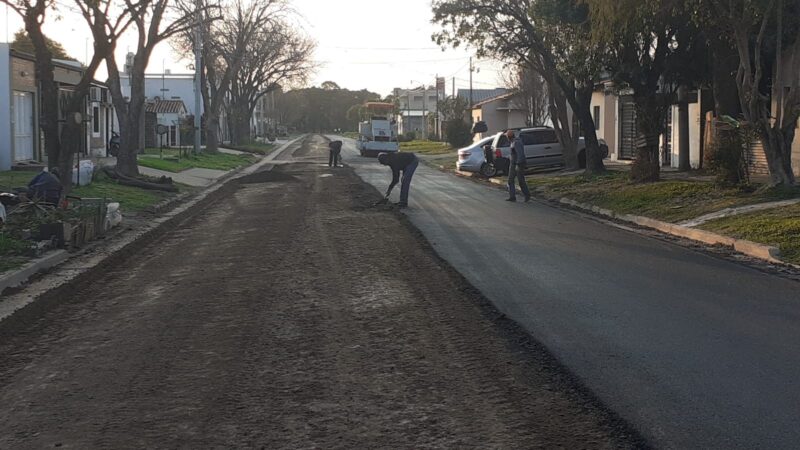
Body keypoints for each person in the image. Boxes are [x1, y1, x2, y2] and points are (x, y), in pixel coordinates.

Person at [506, 129, 531, 202]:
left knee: (521, 181)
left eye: (507, 136)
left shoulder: (516, 142)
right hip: (513, 163)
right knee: (510, 180)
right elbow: (514, 153)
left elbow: (520, 154)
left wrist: (518, 164)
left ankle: (527, 195)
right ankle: (512, 196)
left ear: (509, 136)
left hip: (518, 164)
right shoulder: (512, 142)